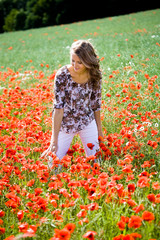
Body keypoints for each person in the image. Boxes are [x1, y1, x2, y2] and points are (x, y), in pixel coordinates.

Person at [42, 39, 103, 168]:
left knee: (97, 162)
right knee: (53, 165)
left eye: (80, 62)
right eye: (73, 61)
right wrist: (54, 139)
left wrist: (99, 131)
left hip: (86, 121)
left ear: (88, 61)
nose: (75, 65)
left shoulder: (94, 75)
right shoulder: (62, 75)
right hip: (66, 124)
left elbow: (96, 105)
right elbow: (58, 108)